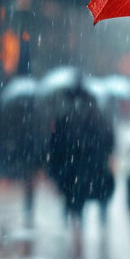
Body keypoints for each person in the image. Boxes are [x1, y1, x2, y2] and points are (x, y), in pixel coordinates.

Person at [48, 88, 115, 221]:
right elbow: (109, 140)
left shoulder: (66, 117)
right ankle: (99, 218)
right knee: (92, 191)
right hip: (93, 164)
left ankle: (74, 221)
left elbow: (56, 143)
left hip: (75, 165)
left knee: (76, 195)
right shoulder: (98, 117)